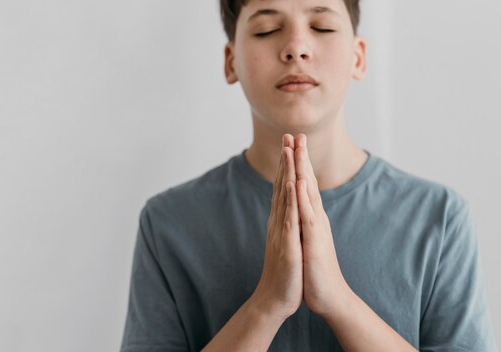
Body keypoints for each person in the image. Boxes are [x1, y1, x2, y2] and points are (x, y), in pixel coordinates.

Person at [120, 0, 498, 350]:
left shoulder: (440, 218)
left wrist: (337, 300)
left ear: (358, 57)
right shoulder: (169, 223)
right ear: (230, 61)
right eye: (267, 30)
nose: (296, 48)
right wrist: (267, 304)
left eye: (321, 26)